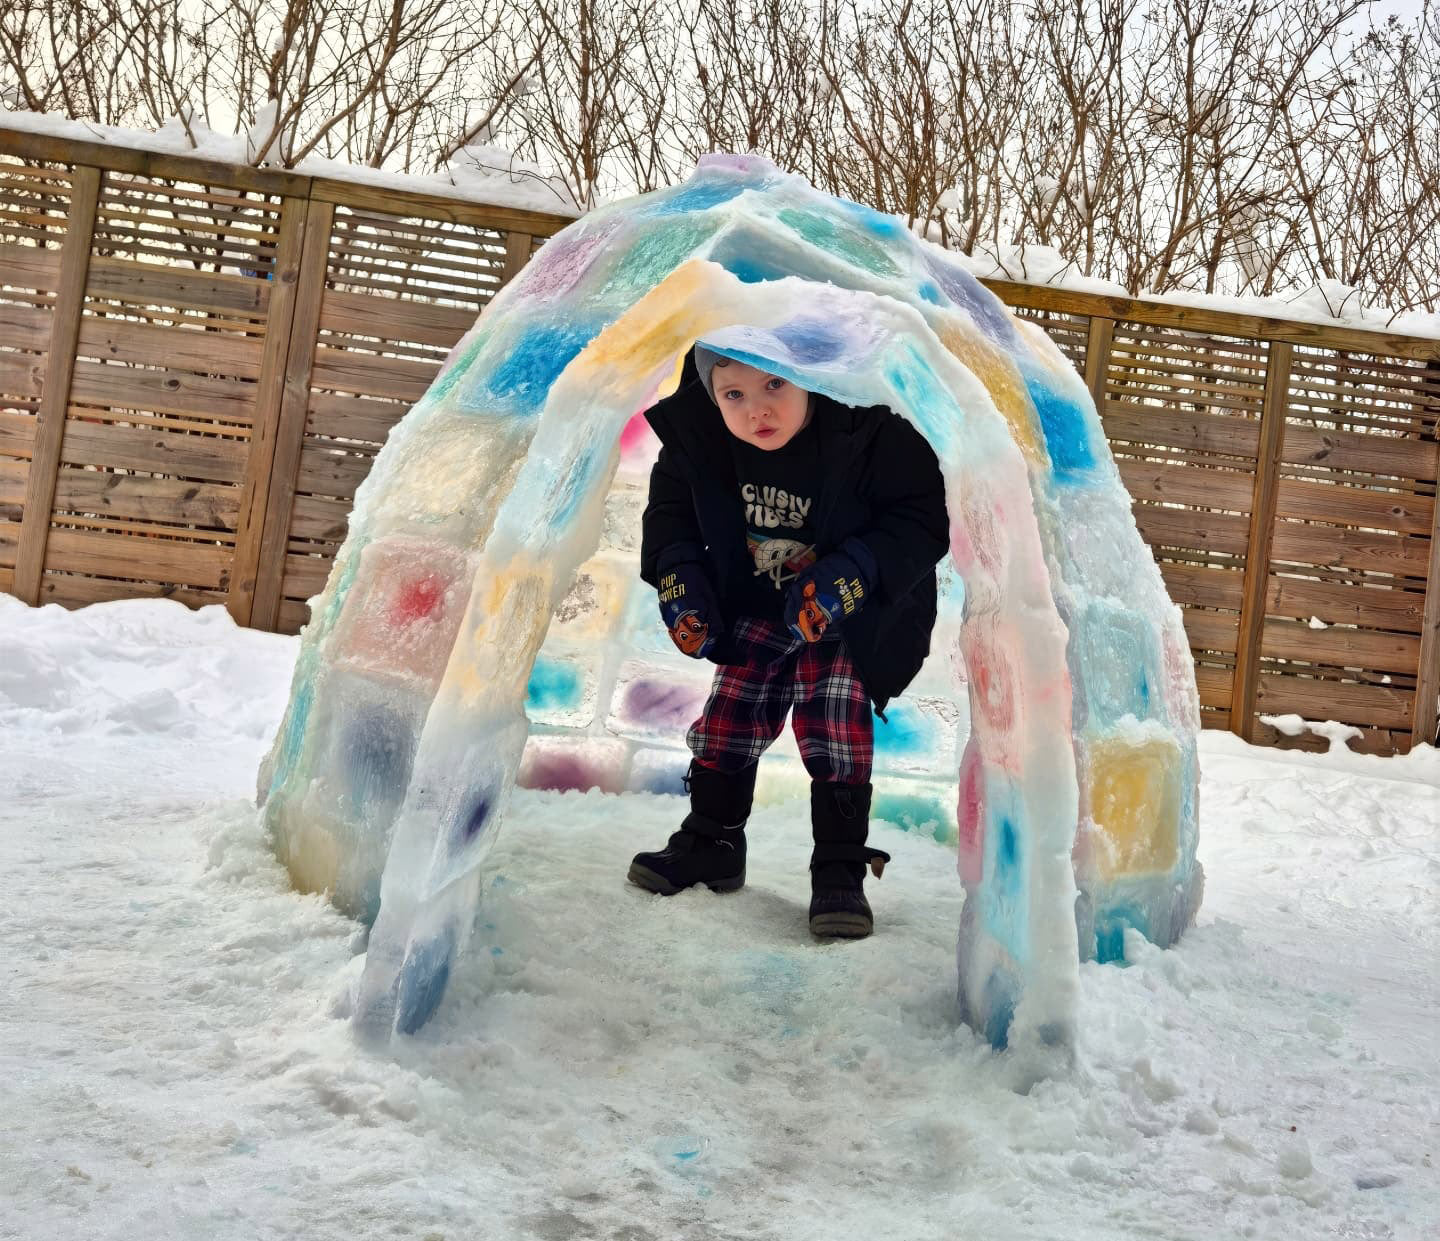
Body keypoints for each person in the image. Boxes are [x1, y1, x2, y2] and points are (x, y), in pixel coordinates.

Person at [628, 335, 949, 938]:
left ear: (810, 378)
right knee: (730, 717)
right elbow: (670, 512)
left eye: (775, 383)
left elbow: (922, 515)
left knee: (835, 726)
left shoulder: (867, 431)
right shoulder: (699, 437)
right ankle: (713, 841)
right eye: (735, 393)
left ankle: (839, 868)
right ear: (711, 394)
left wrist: (855, 573)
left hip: (845, 615)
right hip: (753, 605)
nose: (758, 410)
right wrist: (680, 578)